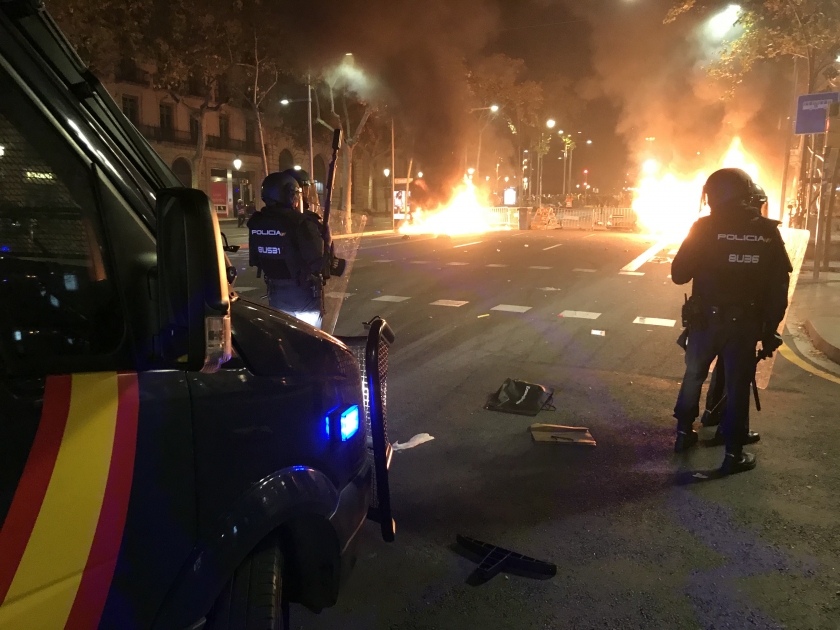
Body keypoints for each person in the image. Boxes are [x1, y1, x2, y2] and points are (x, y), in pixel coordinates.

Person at [671, 168, 792, 474]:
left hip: (705, 322)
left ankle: (684, 433)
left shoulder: (703, 228)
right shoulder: (767, 232)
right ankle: (733, 453)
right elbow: (778, 288)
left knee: (694, 375)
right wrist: (770, 330)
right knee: (737, 387)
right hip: (744, 325)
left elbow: (679, 274)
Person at [248, 171, 326, 328]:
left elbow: (256, 260)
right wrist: (326, 242)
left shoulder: (256, 222)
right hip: (303, 298)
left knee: (285, 343)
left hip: (276, 297)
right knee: (310, 345)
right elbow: (318, 262)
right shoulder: (300, 223)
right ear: (289, 195)